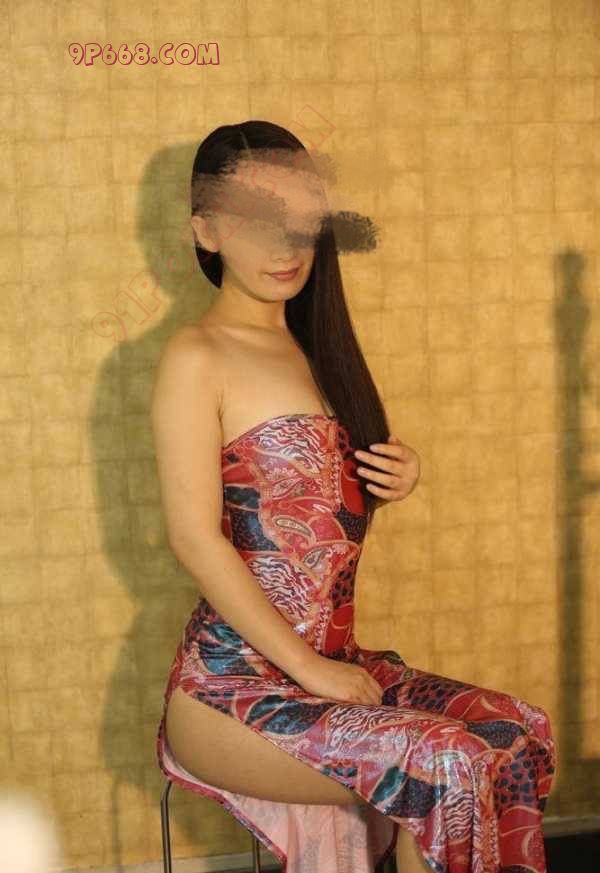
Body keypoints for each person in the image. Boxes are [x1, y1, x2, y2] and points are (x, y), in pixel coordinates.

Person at [152, 120, 556, 873]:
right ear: (205, 231)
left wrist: (398, 475)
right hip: (232, 688)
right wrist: (312, 672)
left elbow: (309, 510)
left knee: (515, 734)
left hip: (334, 662)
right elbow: (194, 538)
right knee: (448, 763)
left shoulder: (317, 348)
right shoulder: (196, 355)